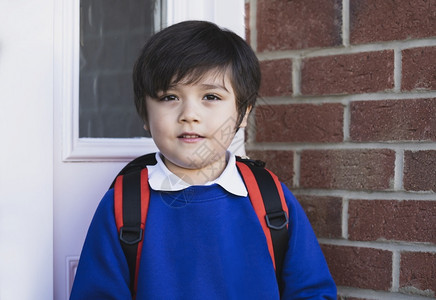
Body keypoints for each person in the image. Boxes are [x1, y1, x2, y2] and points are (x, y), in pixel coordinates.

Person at [70, 20, 337, 299]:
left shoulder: (271, 198)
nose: (189, 114)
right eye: (170, 96)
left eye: (210, 96)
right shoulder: (123, 205)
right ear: (145, 115)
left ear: (243, 113)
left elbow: (312, 292)